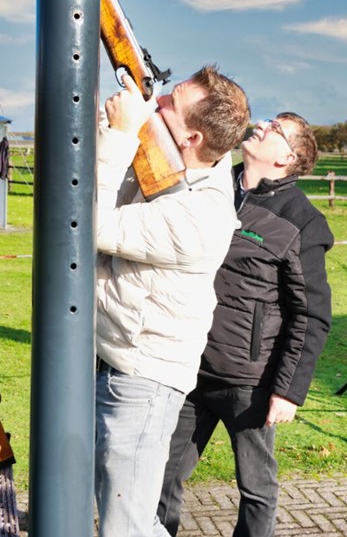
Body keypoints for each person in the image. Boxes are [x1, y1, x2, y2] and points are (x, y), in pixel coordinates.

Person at [94, 64, 253, 537]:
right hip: (108, 358)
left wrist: (123, 135)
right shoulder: (172, 164)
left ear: (193, 139)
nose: (153, 103)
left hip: (141, 378)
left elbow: (88, 225)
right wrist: (113, 131)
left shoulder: (200, 214)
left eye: (166, 104)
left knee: (128, 526)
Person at [156, 113, 327, 537]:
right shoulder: (211, 187)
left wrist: (288, 391)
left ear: (288, 157)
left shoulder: (302, 221)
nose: (263, 125)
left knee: (256, 489)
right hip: (190, 364)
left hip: (248, 382)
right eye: (267, 120)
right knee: (161, 476)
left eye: (276, 128)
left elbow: (311, 315)